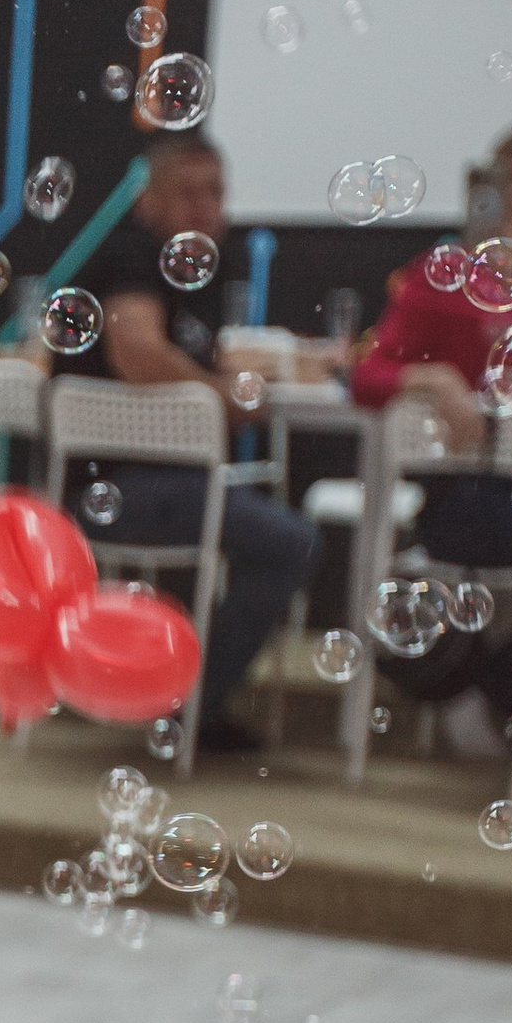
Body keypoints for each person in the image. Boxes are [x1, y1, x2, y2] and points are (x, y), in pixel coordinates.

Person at [58, 134, 321, 753]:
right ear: (148, 198)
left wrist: (258, 371)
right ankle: (187, 700)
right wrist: (220, 394)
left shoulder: (180, 270)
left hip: (152, 487)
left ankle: (181, 693)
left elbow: (192, 351)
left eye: (216, 191)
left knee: (275, 538)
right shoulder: (134, 257)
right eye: (189, 191)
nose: (207, 206)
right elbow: (137, 352)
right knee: (293, 543)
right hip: (126, 488)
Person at [346, 118, 512, 747]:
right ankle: (498, 699)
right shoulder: (440, 280)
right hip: (467, 503)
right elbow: (368, 376)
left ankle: (488, 692)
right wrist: (431, 380)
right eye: (508, 181)